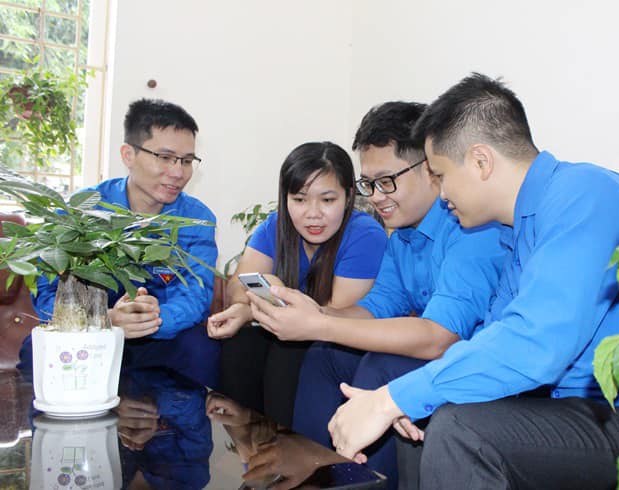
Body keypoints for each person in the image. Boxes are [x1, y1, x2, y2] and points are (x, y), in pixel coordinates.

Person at [323, 74, 619, 490]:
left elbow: (537, 343)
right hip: (575, 405)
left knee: (458, 431)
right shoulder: (519, 229)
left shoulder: (586, 195)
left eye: (441, 174)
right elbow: (496, 338)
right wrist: (408, 396)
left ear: (480, 161)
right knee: (432, 409)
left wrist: (391, 399)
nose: (441, 192)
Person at [247, 101, 505, 488]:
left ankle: (362, 481)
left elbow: (439, 337)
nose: (377, 196)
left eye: (387, 181)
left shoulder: (472, 228)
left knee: (381, 367)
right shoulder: (402, 238)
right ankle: (310, 472)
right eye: (369, 184)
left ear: (431, 169)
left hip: (481, 369)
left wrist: (319, 324)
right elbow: (374, 310)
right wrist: (314, 314)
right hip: (440, 357)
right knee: (325, 355)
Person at [18, 99, 220, 388]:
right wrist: (105, 319)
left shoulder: (197, 220)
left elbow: (196, 295)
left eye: (186, 161)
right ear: (128, 154)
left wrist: (150, 319)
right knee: (35, 352)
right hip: (92, 334)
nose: (178, 172)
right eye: (165, 157)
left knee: (202, 349)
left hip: (161, 335)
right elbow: (49, 292)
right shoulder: (81, 211)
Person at [207, 141, 388, 427]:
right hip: (292, 335)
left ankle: (286, 447)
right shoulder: (276, 226)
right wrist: (245, 307)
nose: (312, 213)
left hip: (340, 344)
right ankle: (245, 441)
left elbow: (336, 318)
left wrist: (274, 296)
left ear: (348, 197)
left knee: (289, 353)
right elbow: (238, 286)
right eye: (300, 199)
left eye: (327, 200)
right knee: (241, 344)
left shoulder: (365, 235)